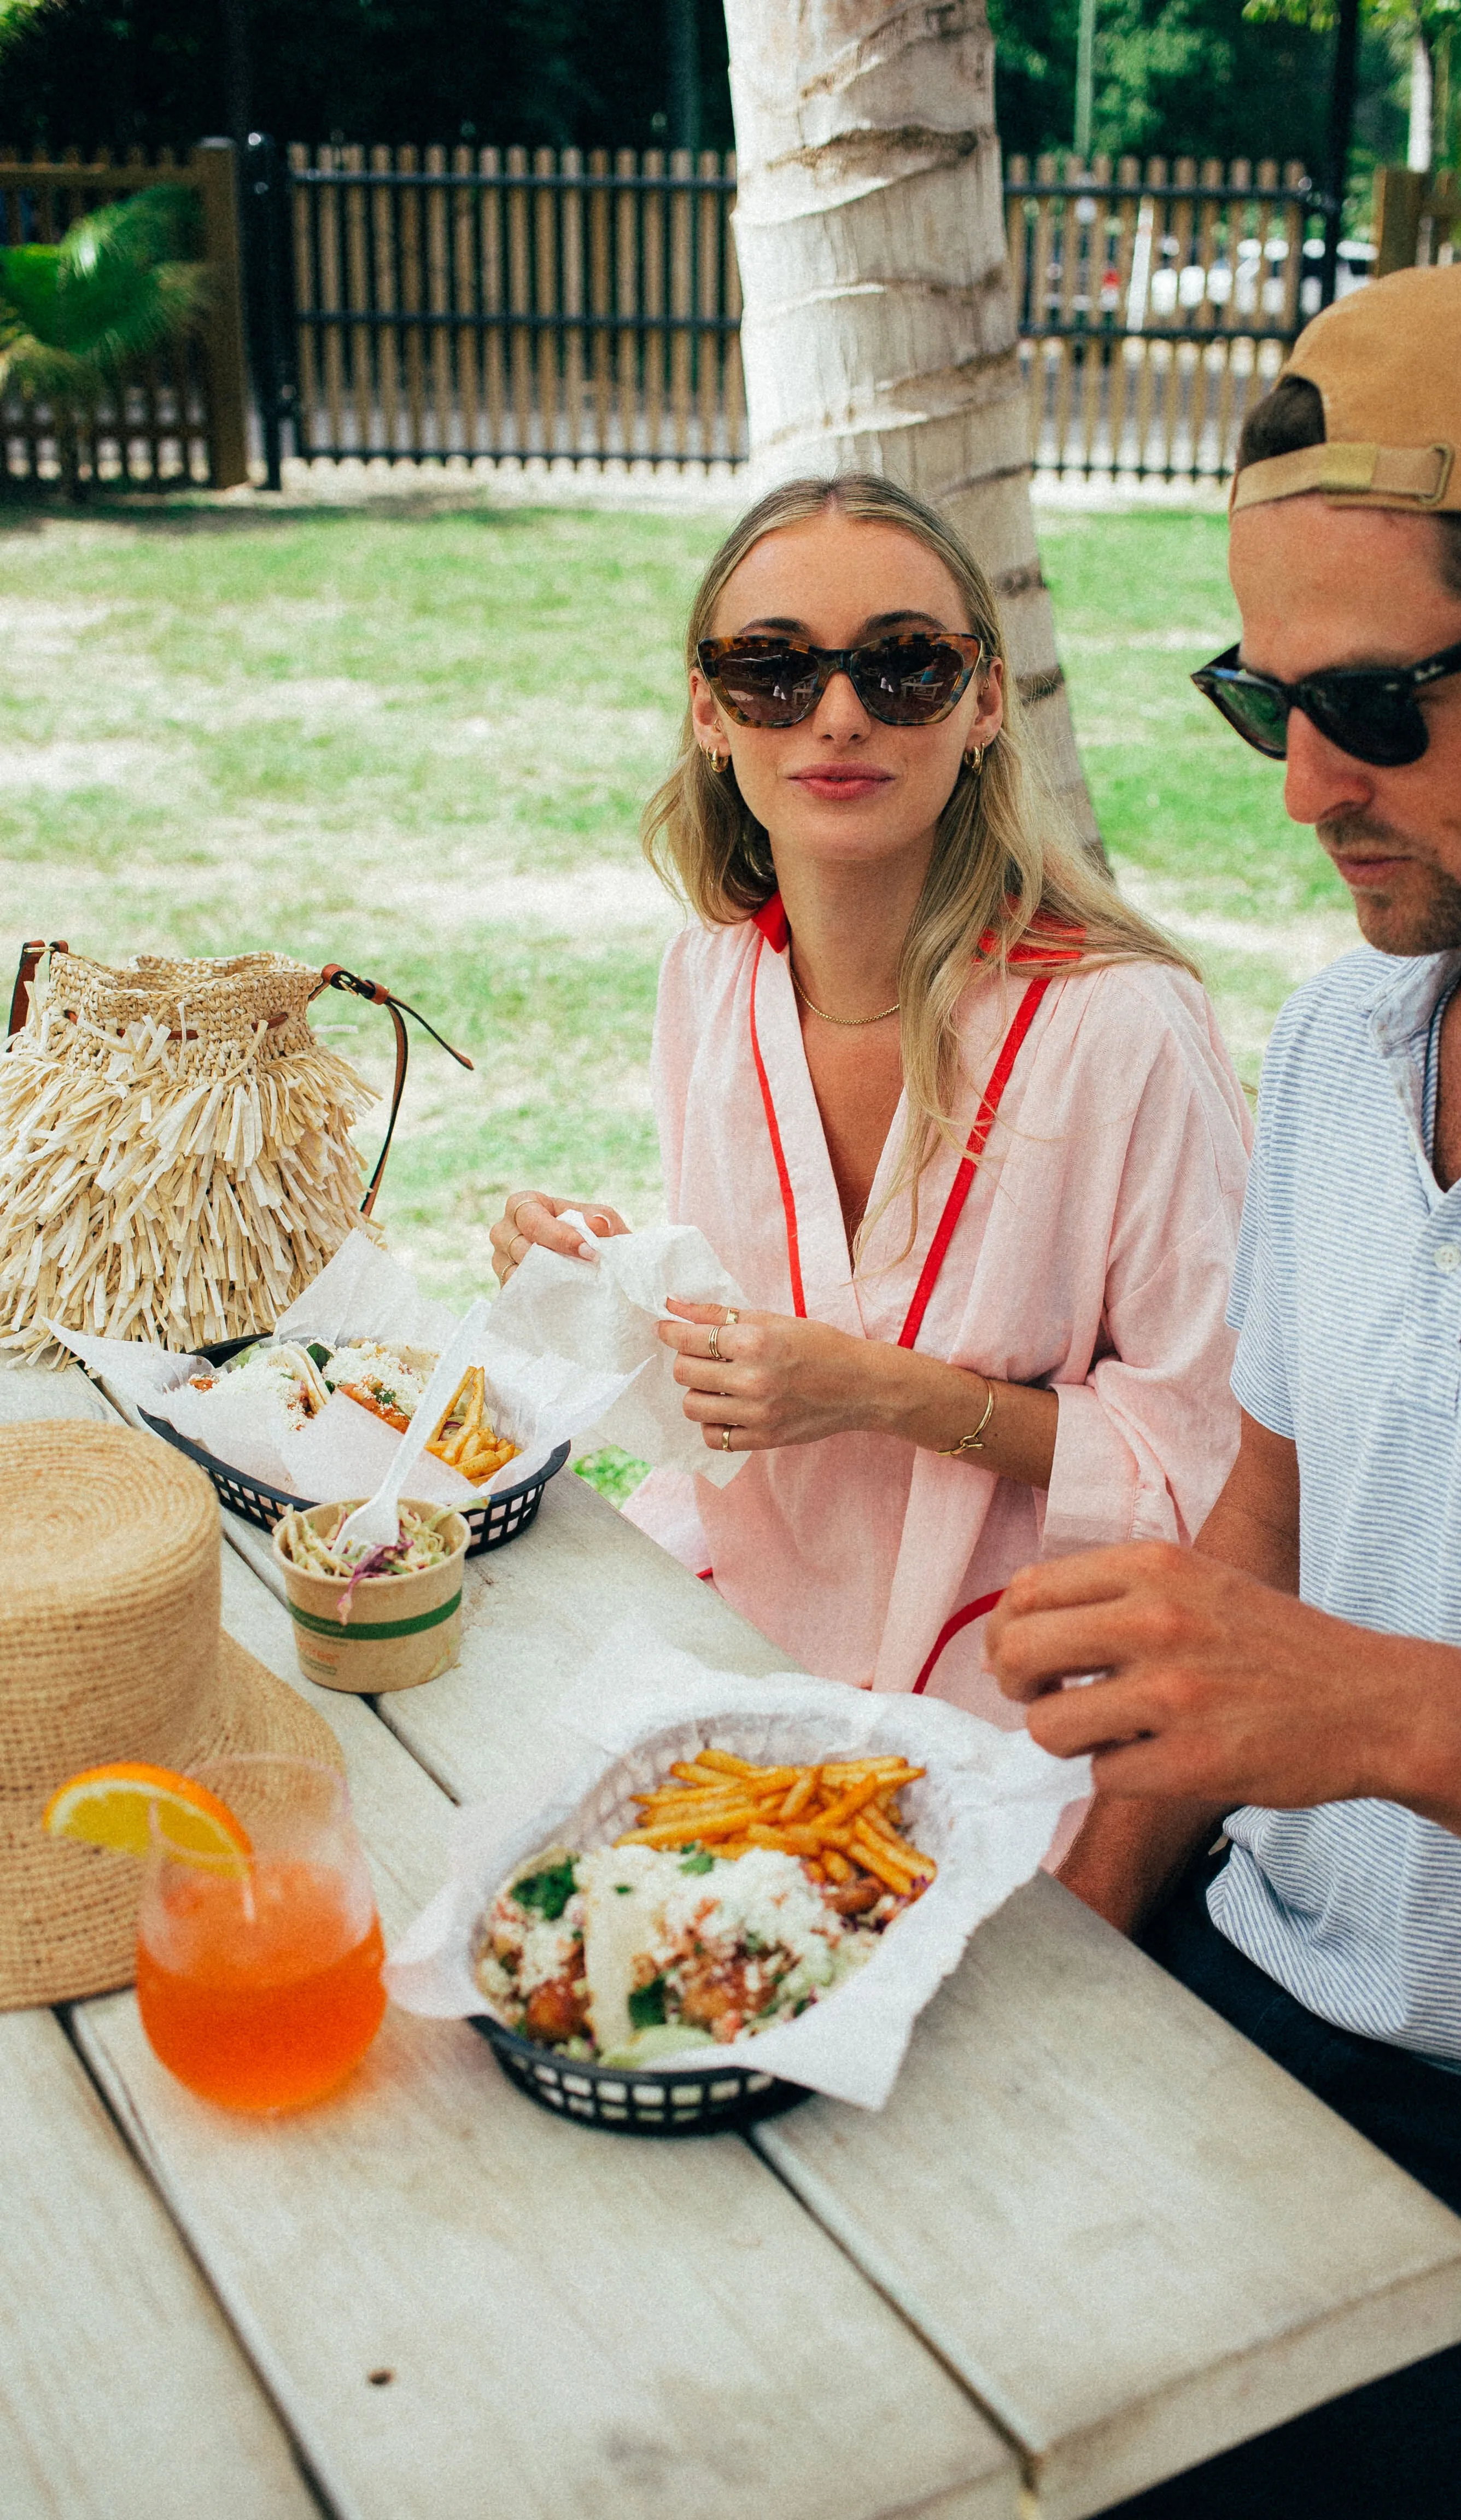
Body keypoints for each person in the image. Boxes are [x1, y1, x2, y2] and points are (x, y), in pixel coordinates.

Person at [986, 258, 1461, 2518]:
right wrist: (1071, 1947)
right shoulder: (1345, 1044)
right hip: (1239, 1988)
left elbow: (1338, 1668)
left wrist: (1397, 1718)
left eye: (1374, 703)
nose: (1300, 791)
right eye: (1253, 696)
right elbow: (1270, 1522)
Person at [490, 473, 1251, 1723]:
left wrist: (885, 1391)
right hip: (738, 1601)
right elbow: (749, 1343)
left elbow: (1216, 1462)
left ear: (986, 701)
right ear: (711, 714)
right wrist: (610, 1275)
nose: (838, 715)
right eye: (774, 673)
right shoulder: (709, 980)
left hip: (1036, 1665)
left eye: (905, 666)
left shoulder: (1123, 1026)